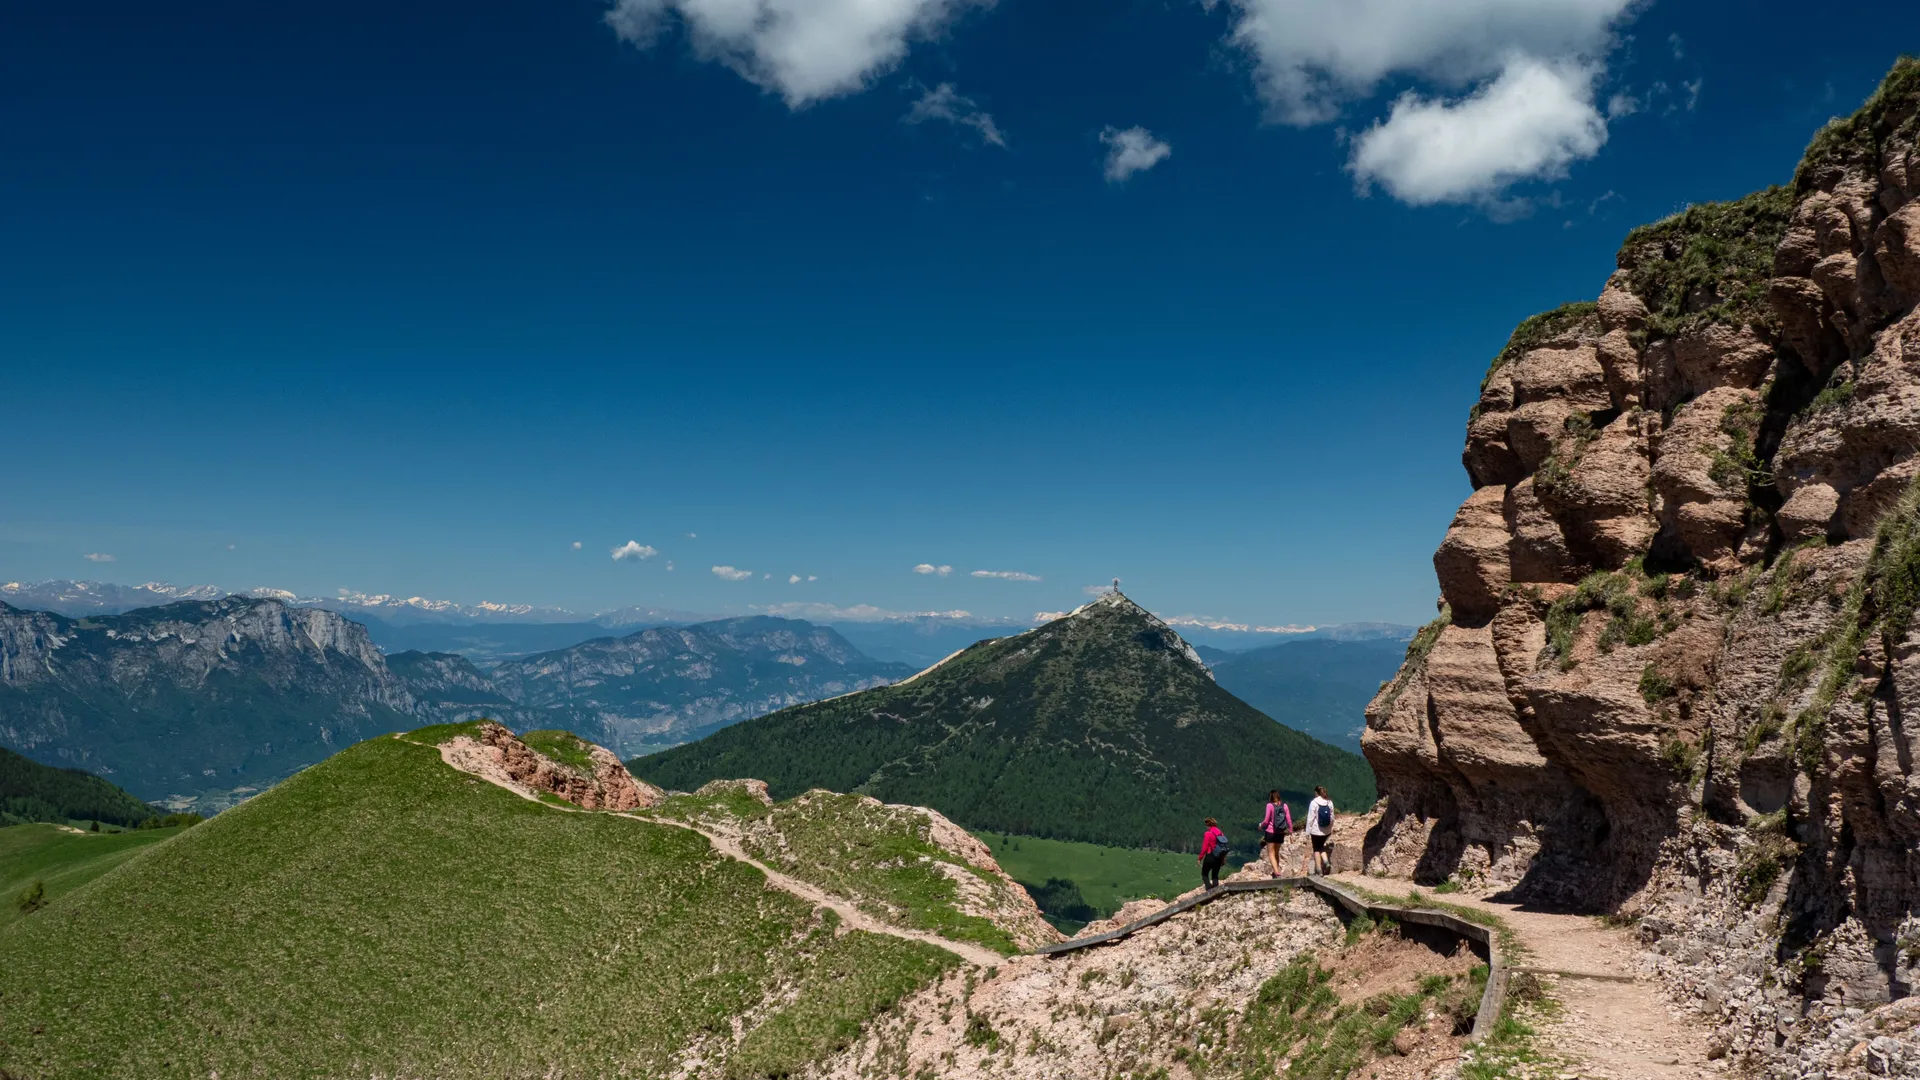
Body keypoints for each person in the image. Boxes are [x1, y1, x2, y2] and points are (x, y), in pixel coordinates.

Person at [1260, 790, 1292, 877]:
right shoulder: (1284, 805)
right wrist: (1290, 829)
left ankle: (1276, 872)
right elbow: (1288, 819)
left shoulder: (1269, 805)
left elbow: (1266, 820)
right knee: (1277, 852)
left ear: (1271, 797)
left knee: (1271, 853)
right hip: (1281, 832)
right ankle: (1277, 870)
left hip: (1271, 832)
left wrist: (1261, 825)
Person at [1305, 785, 1335, 875]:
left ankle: (1319, 870)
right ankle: (1326, 862)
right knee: (1321, 846)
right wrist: (1330, 828)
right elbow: (1332, 817)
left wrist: (1307, 832)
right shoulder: (1329, 802)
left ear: (1316, 793)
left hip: (1316, 830)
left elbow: (1310, 818)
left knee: (1316, 849)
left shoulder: (1314, 802)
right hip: (1326, 831)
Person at [1198, 817, 1227, 890]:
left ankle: (1209, 890)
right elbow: (1223, 845)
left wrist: (1200, 858)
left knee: (1204, 874)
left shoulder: (1208, 833)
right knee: (1215, 875)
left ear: (1208, 824)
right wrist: (1223, 858)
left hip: (1210, 855)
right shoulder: (1220, 833)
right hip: (1219, 856)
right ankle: (1216, 892)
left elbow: (1204, 847)